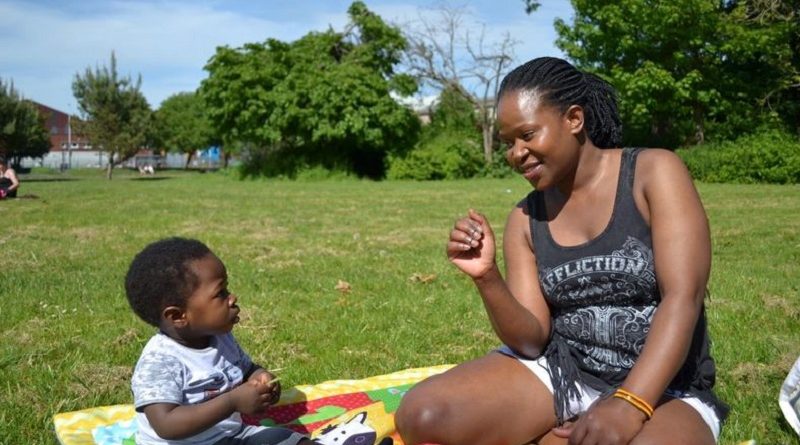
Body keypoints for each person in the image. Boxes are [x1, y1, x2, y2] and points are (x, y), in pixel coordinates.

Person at [395, 57, 728, 445]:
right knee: (424, 415)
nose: (516, 154)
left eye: (528, 135)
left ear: (574, 119)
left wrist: (629, 402)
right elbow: (531, 340)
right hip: (564, 375)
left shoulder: (654, 173)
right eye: (508, 143)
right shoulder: (525, 217)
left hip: (667, 387)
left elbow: (682, 298)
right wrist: (487, 277)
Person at [125, 237, 388, 445]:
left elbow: (245, 369)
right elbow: (166, 425)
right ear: (178, 315)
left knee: (284, 439)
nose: (232, 297)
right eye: (220, 293)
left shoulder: (221, 338)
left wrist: (261, 377)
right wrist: (232, 402)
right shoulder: (161, 361)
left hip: (232, 437)